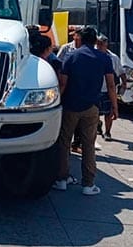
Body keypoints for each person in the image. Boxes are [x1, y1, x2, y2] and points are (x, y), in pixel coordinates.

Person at [53, 26, 118, 196]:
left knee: (64, 142)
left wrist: (55, 103)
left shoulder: (71, 56)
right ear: (96, 40)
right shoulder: (104, 58)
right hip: (91, 107)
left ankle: (61, 179)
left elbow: (63, 84)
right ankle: (88, 184)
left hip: (70, 106)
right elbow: (111, 85)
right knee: (88, 145)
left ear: (80, 39)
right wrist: (114, 107)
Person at [96, 34, 126, 141]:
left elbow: (121, 72)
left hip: (108, 89)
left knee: (109, 112)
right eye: (98, 44)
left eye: (102, 44)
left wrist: (124, 83)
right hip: (95, 89)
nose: (100, 46)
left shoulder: (113, 58)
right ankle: (97, 124)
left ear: (106, 45)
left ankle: (107, 132)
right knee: (95, 113)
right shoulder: (92, 55)